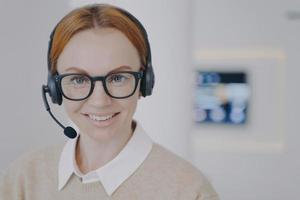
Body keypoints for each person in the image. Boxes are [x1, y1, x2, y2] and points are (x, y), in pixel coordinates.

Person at [0, 3, 219, 200]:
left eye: (117, 78)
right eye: (78, 79)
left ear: (145, 83)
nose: (100, 101)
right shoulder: (24, 178)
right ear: (55, 88)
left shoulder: (189, 190)